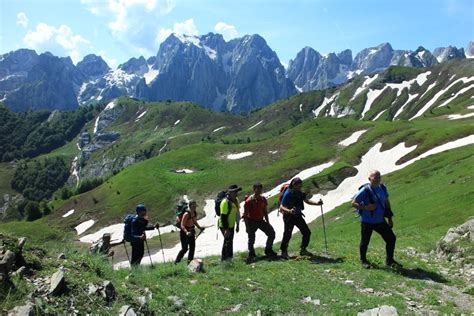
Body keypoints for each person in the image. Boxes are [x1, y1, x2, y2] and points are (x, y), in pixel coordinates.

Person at [352, 170, 401, 269]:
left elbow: (386, 202)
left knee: (391, 238)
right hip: (367, 221)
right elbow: (353, 203)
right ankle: (363, 260)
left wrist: (390, 218)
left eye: (379, 177)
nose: (378, 179)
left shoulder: (382, 188)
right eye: (375, 177)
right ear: (370, 179)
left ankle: (389, 260)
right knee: (365, 241)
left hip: (380, 220)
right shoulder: (364, 190)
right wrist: (366, 208)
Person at [279, 177, 323, 259]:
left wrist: (317, 203)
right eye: (298, 186)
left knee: (306, 232)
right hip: (289, 216)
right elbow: (281, 207)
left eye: (300, 185)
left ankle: (303, 249)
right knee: (287, 234)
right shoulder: (288, 193)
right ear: (294, 185)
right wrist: (289, 211)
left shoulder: (300, 193)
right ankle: (283, 251)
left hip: (297, 215)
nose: (300, 187)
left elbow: (307, 201)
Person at [243, 183, 277, 263]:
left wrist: (268, 222)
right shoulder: (249, 201)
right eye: (257, 189)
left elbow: (265, 211)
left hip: (261, 221)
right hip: (252, 222)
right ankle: (251, 254)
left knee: (271, 233)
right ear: (254, 189)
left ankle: (268, 250)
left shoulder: (263, 199)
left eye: (260, 189)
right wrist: (247, 227)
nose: (259, 191)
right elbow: (245, 215)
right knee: (251, 239)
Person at [175, 200, 204, 264]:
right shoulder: (186, 214)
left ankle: (189, 262)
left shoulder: (194, 213)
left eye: (195, 206)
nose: (194, 207)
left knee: (192, 247)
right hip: (184, 233)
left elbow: (194, 221)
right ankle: (177, 262)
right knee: (185, 249)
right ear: (190, 206)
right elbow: (182, 225)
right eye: (193, 206)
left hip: (191, 231)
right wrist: (186, 232)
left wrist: (199, 228)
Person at [219, 184, 241, 261]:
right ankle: (226, 259)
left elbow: (237, 213)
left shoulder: (236, 200)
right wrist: (226, 229)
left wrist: (238, 224)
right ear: (230, 192)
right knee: (228, 241)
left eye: (237, 192)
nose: (236, 193)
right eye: (235, 192)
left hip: (231, 225)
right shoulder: (225, 202)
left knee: (229, 241)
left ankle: (227, 258)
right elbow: (223, 217)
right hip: (224, 225)